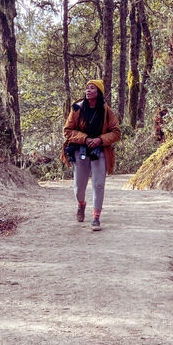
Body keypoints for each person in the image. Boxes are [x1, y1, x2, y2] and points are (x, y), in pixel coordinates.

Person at [62, 79, 121, 231]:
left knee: (99, 184)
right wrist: (85, 139)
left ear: (99, 92)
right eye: (87, 88)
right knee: (79, 187)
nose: (88, 90)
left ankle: (96, 218)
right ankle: (81, 204)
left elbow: (116, 132)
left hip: (100, 151)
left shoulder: (107, 111)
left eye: (92, 88)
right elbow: (67, 131)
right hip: (80, 150)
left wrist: (99, 140)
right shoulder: (77, 108)